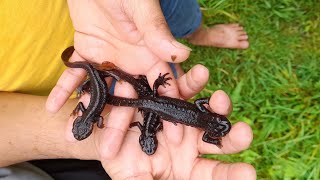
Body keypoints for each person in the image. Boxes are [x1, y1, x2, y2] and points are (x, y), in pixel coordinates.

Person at [0, 0, 254, 179]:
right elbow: (191, 108)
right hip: (126, 85)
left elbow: (197, 106)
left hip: (107, 32)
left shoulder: (204, 122)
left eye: (217, 125)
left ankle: (196, 32)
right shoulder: (204, 123)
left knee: (177, 24)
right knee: (154, 92)